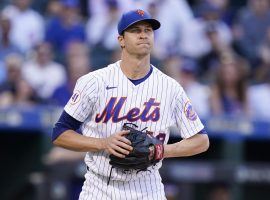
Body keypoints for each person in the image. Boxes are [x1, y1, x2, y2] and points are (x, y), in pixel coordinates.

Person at [52, 9, 209, 199]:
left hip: (147, 187)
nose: (143, 35)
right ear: (121, 40)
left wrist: (161, 150)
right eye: (136, 30)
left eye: (148, 30)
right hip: (99, 187)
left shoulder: (171, 87)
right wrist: (103, 143)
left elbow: (201, 141)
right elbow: (60, 134)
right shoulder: (94, 82)